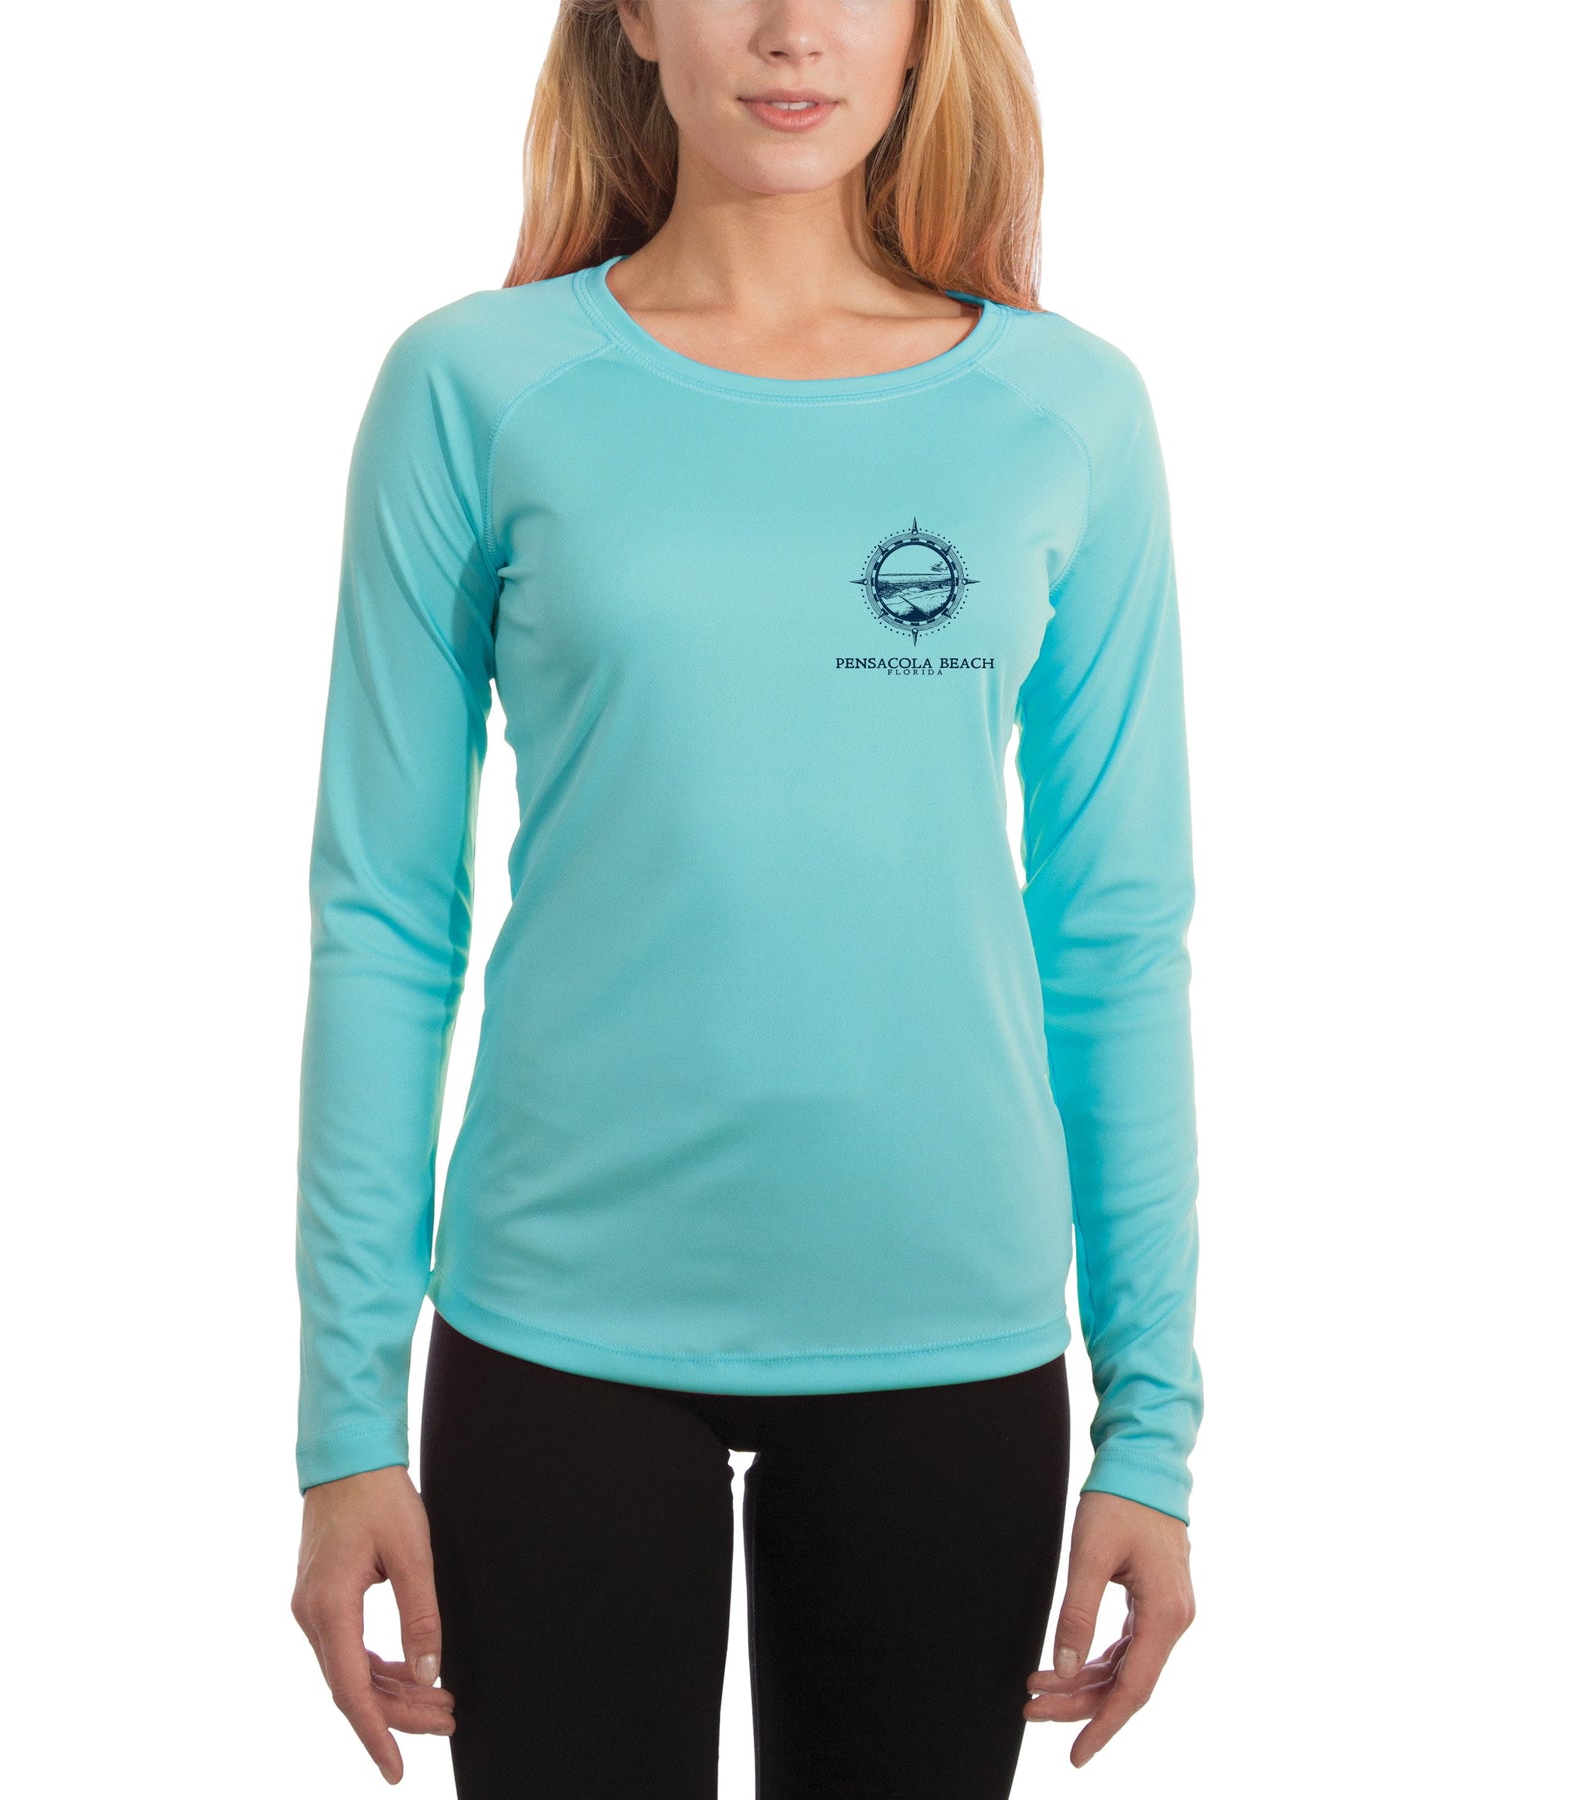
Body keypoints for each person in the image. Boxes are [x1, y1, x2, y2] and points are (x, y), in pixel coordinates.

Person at [288, 2, 1203, 1794]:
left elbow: (1116, 934)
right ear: (633, 15)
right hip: (555, 1330)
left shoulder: (1064, 410)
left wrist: (1152, 1433)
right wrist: (344, 1428)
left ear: (928, 27)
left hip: (948, 1327)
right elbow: (385, 916)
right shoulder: (476, 387)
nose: (791, 33)